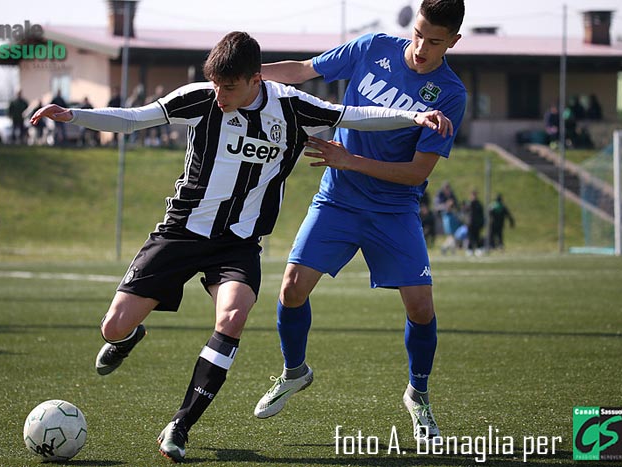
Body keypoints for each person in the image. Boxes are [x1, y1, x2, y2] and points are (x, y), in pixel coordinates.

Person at [30, 31, 452, 462]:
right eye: (215, 84)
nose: (219, 95)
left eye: (228, 87)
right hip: (181, 233)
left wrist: (413, 119)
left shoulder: (291, 107)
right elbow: (135, 118)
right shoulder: (200, 99)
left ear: (255, 79)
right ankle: (128, 335)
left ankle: (180, 425)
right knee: (113, 326)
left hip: (238, 246)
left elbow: (354, 115)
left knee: (233, 316)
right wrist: (74, 115)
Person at [252, 0, 466, 445]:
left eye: (435, 41)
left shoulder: (450, 94)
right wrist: (249, 73)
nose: (422, 47)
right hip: (339, 199)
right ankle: (295, 372)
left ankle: (418, 395)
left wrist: (349, 160)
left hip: (394, 210)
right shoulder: (372, 48)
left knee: (421, 308)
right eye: (419, 34)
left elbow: (417, 172)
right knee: (291, 288)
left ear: (454, 42)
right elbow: (303, 70)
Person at [465, 189, 485, 255]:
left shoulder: (478, 204)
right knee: (470, 237)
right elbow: (465, 212)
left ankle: (478, 249)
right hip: (470, 224)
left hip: (477, 224)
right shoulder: (469, 204)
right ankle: (469, 249)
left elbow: (481, 214)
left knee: (477, 237)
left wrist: (482, 223)